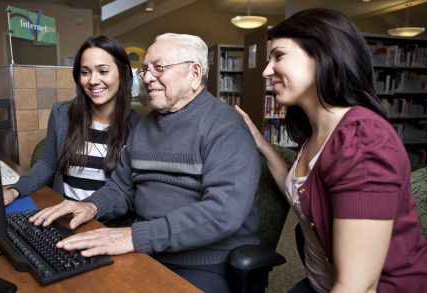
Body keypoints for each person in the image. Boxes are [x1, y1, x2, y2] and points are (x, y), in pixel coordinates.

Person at [29, 33, 261, 293]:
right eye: (146, 70)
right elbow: (121, 187)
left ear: (195, 73)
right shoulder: (145, 126)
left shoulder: (225, 127)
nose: (148, 78)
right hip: (146, 249)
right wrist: (91, 206)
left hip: (204, 262)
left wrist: (135, 237)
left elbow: (222, 213)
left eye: (159, 68)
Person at [235, 8, 427, 293]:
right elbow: (298, 188)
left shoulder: (362, 140)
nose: (265, 71)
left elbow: (358, 286)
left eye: (279, 56)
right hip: (320, 282)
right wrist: (261, 143)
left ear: (323, 55)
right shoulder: (317, 131)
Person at [4, 35, 139, 226]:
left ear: (123, 72)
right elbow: (48, 163)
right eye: (85, 72)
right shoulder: (61, 114)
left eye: (103, 71)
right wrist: (14, 190)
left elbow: (129, 191)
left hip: (107, 226)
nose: (93, 80)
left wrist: (90, 208)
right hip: (64, 218)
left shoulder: (139, 127)